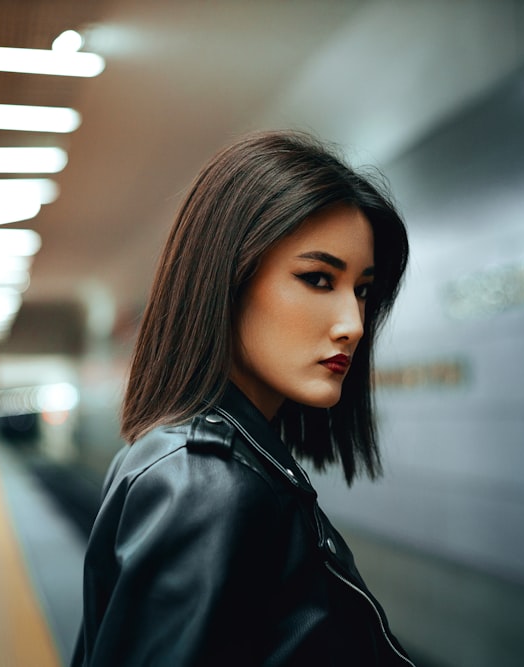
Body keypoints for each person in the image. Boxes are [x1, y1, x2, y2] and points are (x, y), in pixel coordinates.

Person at [72, 130, 414, 666]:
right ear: (227, 279)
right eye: (318, 278)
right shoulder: (204, 484)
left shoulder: (211, 465)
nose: (353, 324)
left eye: (363, 289)